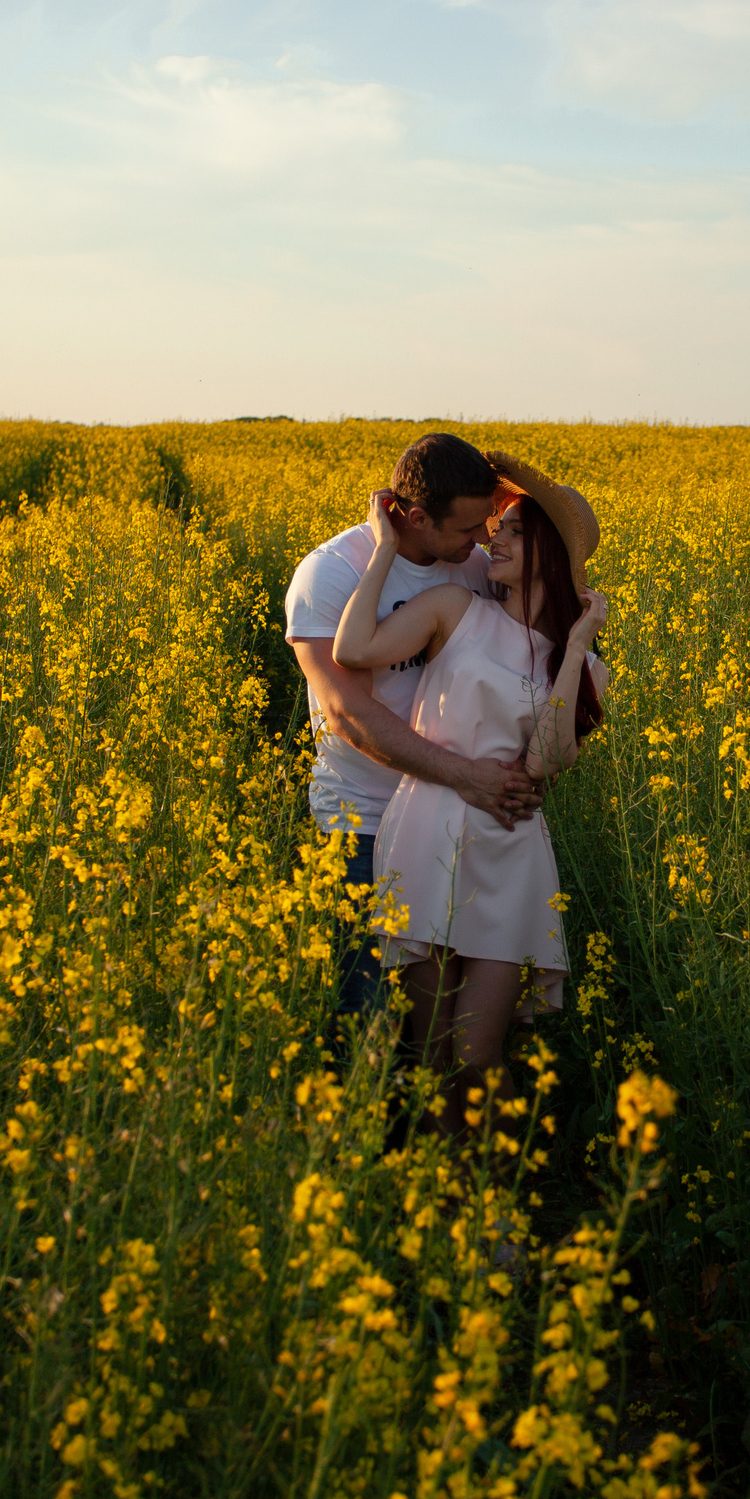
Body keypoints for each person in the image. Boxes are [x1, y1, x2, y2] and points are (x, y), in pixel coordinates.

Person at [331, 450, 608, 1143]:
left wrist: (573, 649)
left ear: (545, 548)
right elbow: (353, 645)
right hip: (426, 830)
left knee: (478, 1054)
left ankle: (495, 1207)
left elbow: (547, 761)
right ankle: (449, 1206)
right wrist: (385, 551)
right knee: (430, 1051)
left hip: (508, 853)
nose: (494, 537)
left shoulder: (582, 665)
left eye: (514, 530)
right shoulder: (456, 607)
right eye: (497, 526)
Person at [283, 434, 542, 1055]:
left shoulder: (477, 566)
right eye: (467, 528)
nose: (481, 541)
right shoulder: (333, 572)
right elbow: (347, 712)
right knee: (367, 1019)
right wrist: (464, 774)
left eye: (489, 526)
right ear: (416, 517)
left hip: (457, 824)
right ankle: (362, 1145)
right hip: (364, 824)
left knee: (440, 1037)